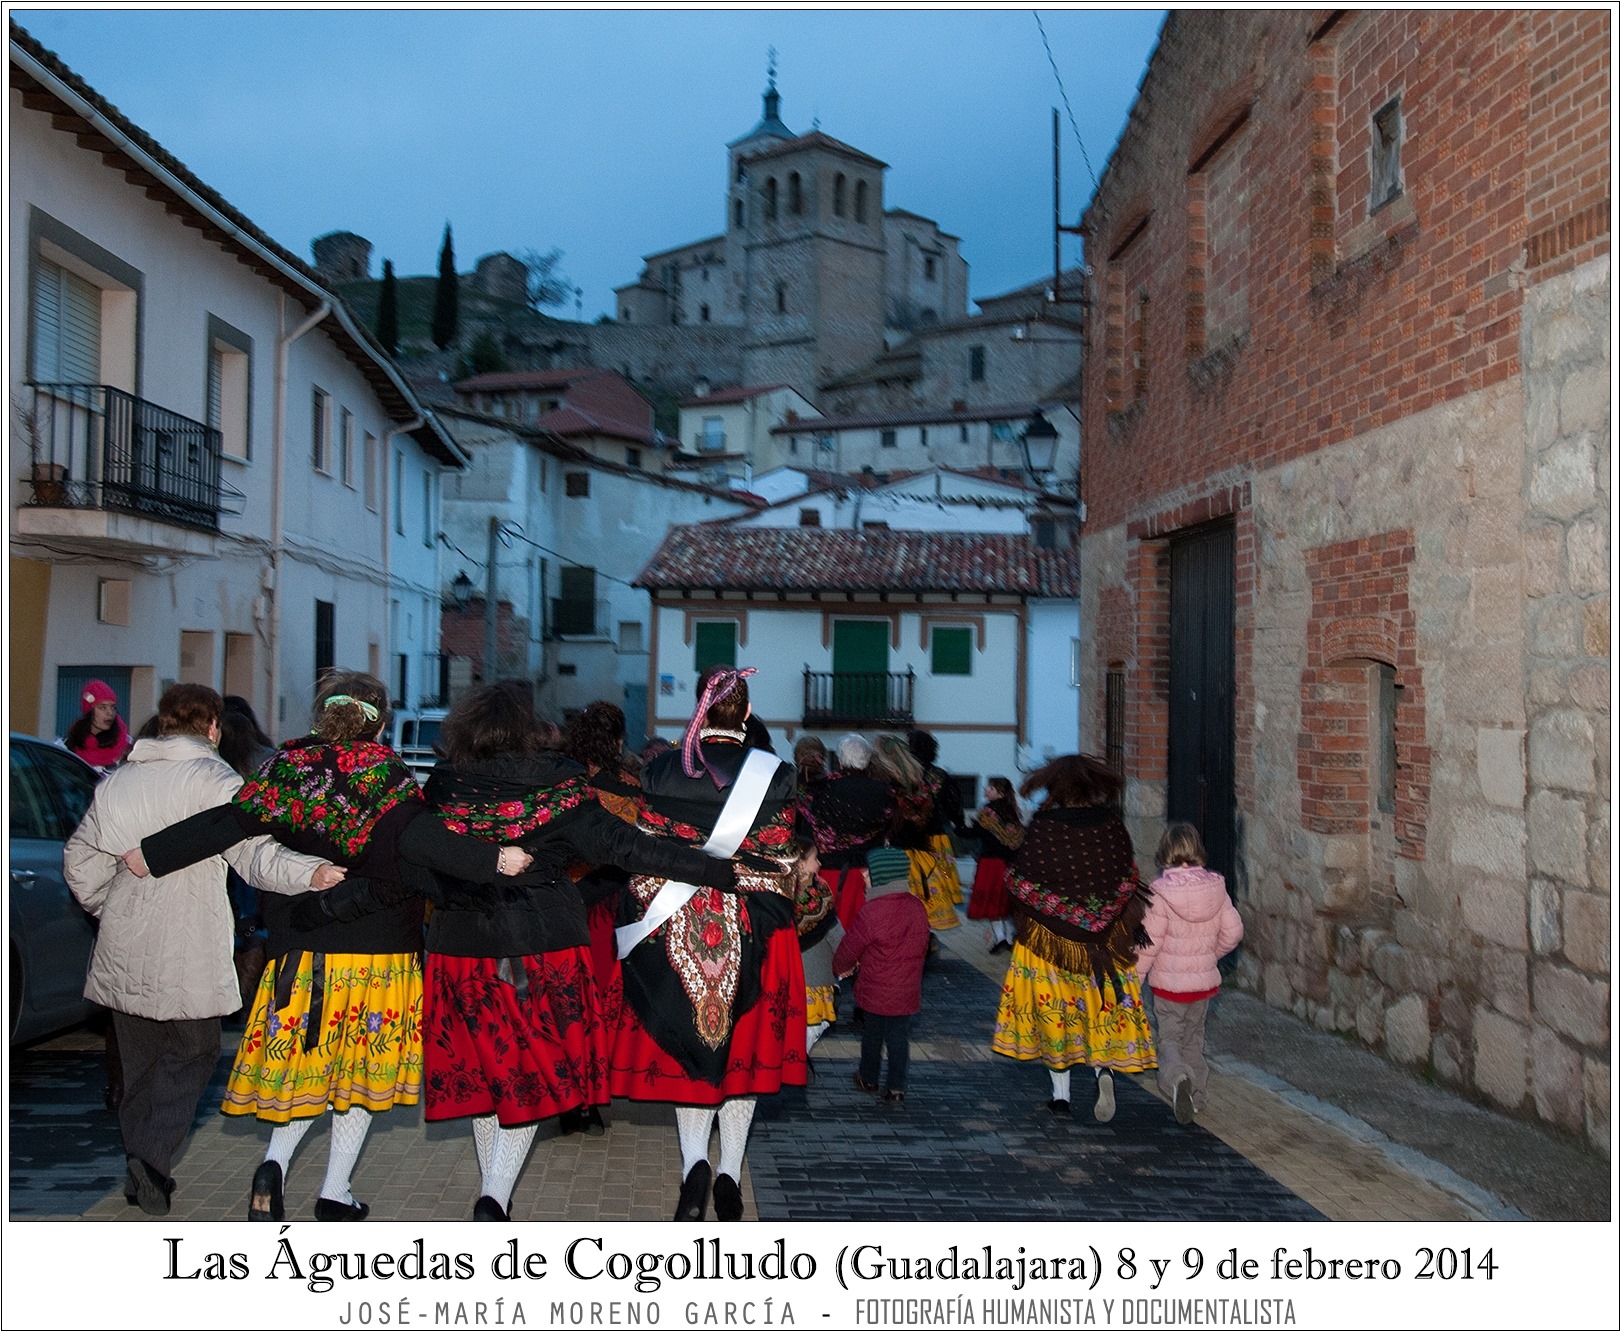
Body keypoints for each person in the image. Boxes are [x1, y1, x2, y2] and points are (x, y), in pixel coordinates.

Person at [124, 671, 534, 1222]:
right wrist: (493, 861)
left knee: (306, 1069)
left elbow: (226, 823)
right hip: (379, 954)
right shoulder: (387, 777)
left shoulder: (287, 769)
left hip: (302, 949)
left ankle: (274, 1167)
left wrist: (151, 854)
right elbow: (421, 845)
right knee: (357, 1080)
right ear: (381, 725)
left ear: (321, 717)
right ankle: (333, 1190)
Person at [421, 685, 737, 1220]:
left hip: (460, 949)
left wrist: (459, 891)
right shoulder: (558, 787)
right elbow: (628, 847)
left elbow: (415, 858)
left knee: (487, 1077)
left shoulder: (444, 787)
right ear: (527, 732)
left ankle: (494, 1193)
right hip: (539, 949)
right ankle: (494, 1194)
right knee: (530, 1077)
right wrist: (712, 868)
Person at [62, 683, 341, 1215]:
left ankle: (143, 1165)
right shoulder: (217, 781)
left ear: (164, 723)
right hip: (188, 935)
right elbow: (256, 855)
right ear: (213, 727)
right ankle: (150, 1159)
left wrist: (107, 906)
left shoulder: (118, 782)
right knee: (196, 1050)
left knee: (139, 1063)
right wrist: (310, 872)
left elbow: (80, 859)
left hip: (125, 935)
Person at [609, 665, 806, 1222]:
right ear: (748, 713)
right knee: (740, 1057)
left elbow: (645, 850)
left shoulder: (660, 769)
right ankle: (729, 1174)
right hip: (750, 928)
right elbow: (780, 857)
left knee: (687, 1051)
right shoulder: (776, 774)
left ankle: (694, 1163)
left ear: (699, 706)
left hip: (673, 926)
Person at [990, 754, 1156, 1122]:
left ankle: (1061, 1096)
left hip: (1050, 942)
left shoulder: (1044, 828)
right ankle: (1102, 1071)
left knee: (1056, 1013)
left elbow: (1021, 880)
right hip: (1105, 943)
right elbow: (1128, 876)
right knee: (1099, 1006)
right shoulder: (1112, 825)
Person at [560, 699, 641, 1137]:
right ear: (617, 741)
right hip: (608, 910)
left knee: (565, 1002)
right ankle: (592, 1096)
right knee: (602, 1004)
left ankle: (568, 1096)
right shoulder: (629, 788)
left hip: (561, 904)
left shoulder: (561, 782)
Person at [1134, 821, 1244, 1125]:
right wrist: (1210, 956)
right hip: (1203, 985)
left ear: (1165, 852)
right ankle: (1197, 1095)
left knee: (1170, 1038)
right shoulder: (1216, 889)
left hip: (1168, 987)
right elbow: (1233, 932)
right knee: (1194, 1038)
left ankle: (1177, 1077)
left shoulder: (1160, 894)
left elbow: (1148, 944)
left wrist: (1133, 980)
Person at [832, 846, 930, 1104]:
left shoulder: (872, 911)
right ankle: (896, 1087)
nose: (863, 874)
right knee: (899, 1037)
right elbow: (923, 944)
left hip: (876, 985)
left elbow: (851, 946)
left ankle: (868, 1077)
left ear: (882, 876)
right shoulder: (917, 907)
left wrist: (840, 966)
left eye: (869, 871)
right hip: (906, 986)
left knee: (873, 1033)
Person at [803, 734, 895, 930]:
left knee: (832, 929)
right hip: (869, 872)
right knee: (867, 928)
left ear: (840, 760)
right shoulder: (884, 791)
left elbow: (815, 828)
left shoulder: (824, 789)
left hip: (832, 872)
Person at [875, 734, 959, 935]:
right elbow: (953, 805)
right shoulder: (926, 782)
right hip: (928, 843)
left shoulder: (887, 783)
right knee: (931, 886)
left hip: (899, 850)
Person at [789, 834, 842, 1055]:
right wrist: (846, 959)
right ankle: (798, 1065)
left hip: (789, 977)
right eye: (815, 858)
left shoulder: (780, 891)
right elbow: (834, 930)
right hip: (816, 976)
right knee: (809, 1033)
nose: (819, 863)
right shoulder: (820, 891)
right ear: (801, 863)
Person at [908, 728, 966, 906]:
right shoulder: (940, 775)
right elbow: (954, 805)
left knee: (913, 882)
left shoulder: (904, 773)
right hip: (936, 835)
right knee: (940, 878)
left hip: (908, 837)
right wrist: (959, 824)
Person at [966, 776, 1025, 952]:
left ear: (1000, 792)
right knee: (1006, 902)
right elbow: (1017, 838)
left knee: (991, 901)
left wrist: (960, 827)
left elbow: (977, 832)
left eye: (990, 788)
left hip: (990, 863)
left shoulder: (988, 812)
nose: (986, 790)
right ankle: (1011, 937)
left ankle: (1000, 938)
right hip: (1009, 864)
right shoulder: (1013, 811)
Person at [64, 678, 132, 770]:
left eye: (113, 707)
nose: (110, 713)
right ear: (89, 711)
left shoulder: (129, 747)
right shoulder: (68, 748)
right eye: (102, 707)